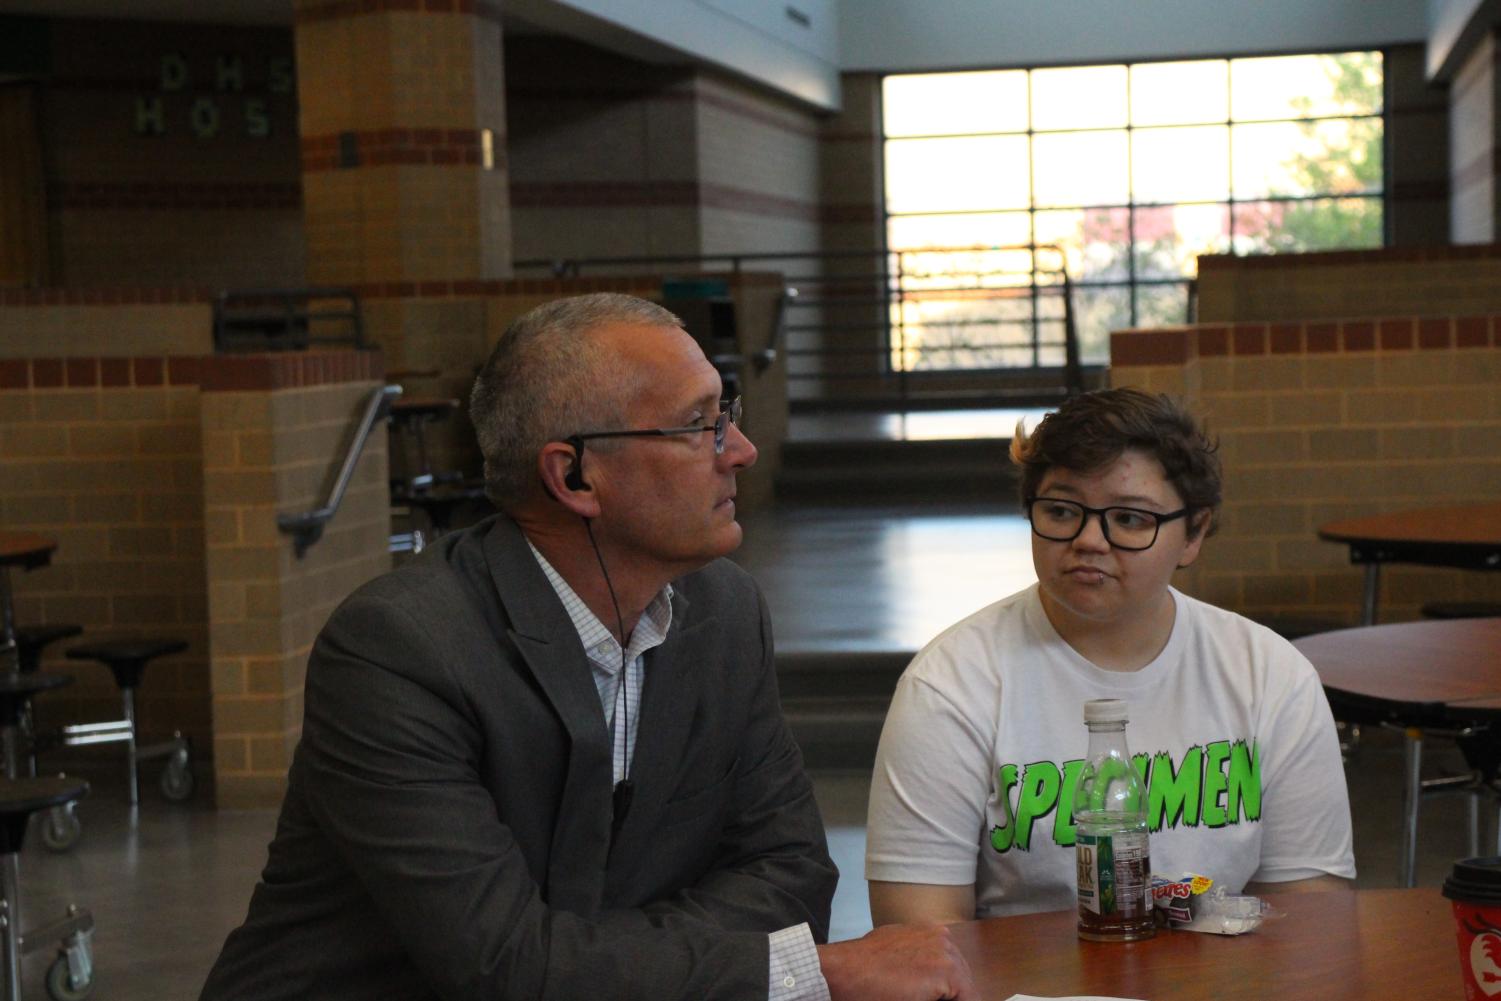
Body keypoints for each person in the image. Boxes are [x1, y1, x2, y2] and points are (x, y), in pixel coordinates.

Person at [200, 293, 973, 1001]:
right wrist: (808, 973)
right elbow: (506, 966)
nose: (738, 449)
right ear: (574, 475)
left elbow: (791, 873)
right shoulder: (399, 651)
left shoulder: (724, 611)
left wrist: (588, 960)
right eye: (697, 422)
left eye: (726, 412)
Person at [865, 387, 1355, 925]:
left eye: (1129, 519)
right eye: (1060, 510)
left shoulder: (1270, 676)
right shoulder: (950, 686)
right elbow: (919, 942)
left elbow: (1311, 920)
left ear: (1194, 534)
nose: (1089, 540)